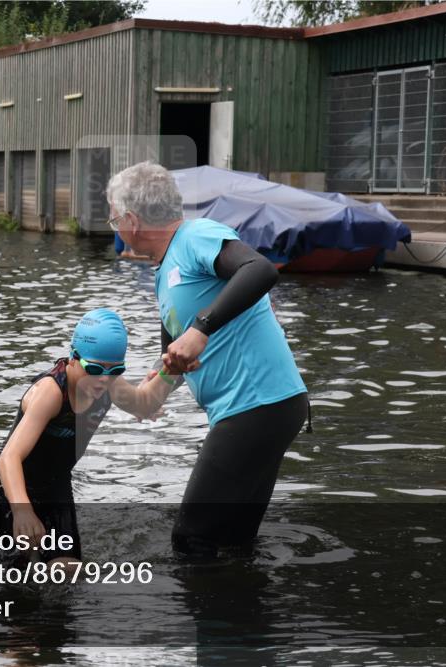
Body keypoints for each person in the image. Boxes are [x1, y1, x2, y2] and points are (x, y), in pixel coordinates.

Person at [106, 161, 310, 558]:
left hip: (257, 405)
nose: (114, 225)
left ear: (131, 219)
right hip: (265, 408)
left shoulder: (195, 236)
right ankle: (243, 615)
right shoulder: (165, 272)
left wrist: (201, 328)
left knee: (191, 537)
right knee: (233, 540)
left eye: (114, 218)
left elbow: (260, 270)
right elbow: (177, 358)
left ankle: (199, 618)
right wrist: (147, 394)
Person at [0, 309, 168, 568]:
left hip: (56, 487)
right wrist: (22, 510)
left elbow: (144, 403)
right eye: (93, 368)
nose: (103, 378)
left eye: (115, 370)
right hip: (11, 490)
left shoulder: (108, 383)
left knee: (68, 571)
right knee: (14, 581)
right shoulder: (50, 392)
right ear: (73, 357)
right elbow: (8, 457)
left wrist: (172, 370)